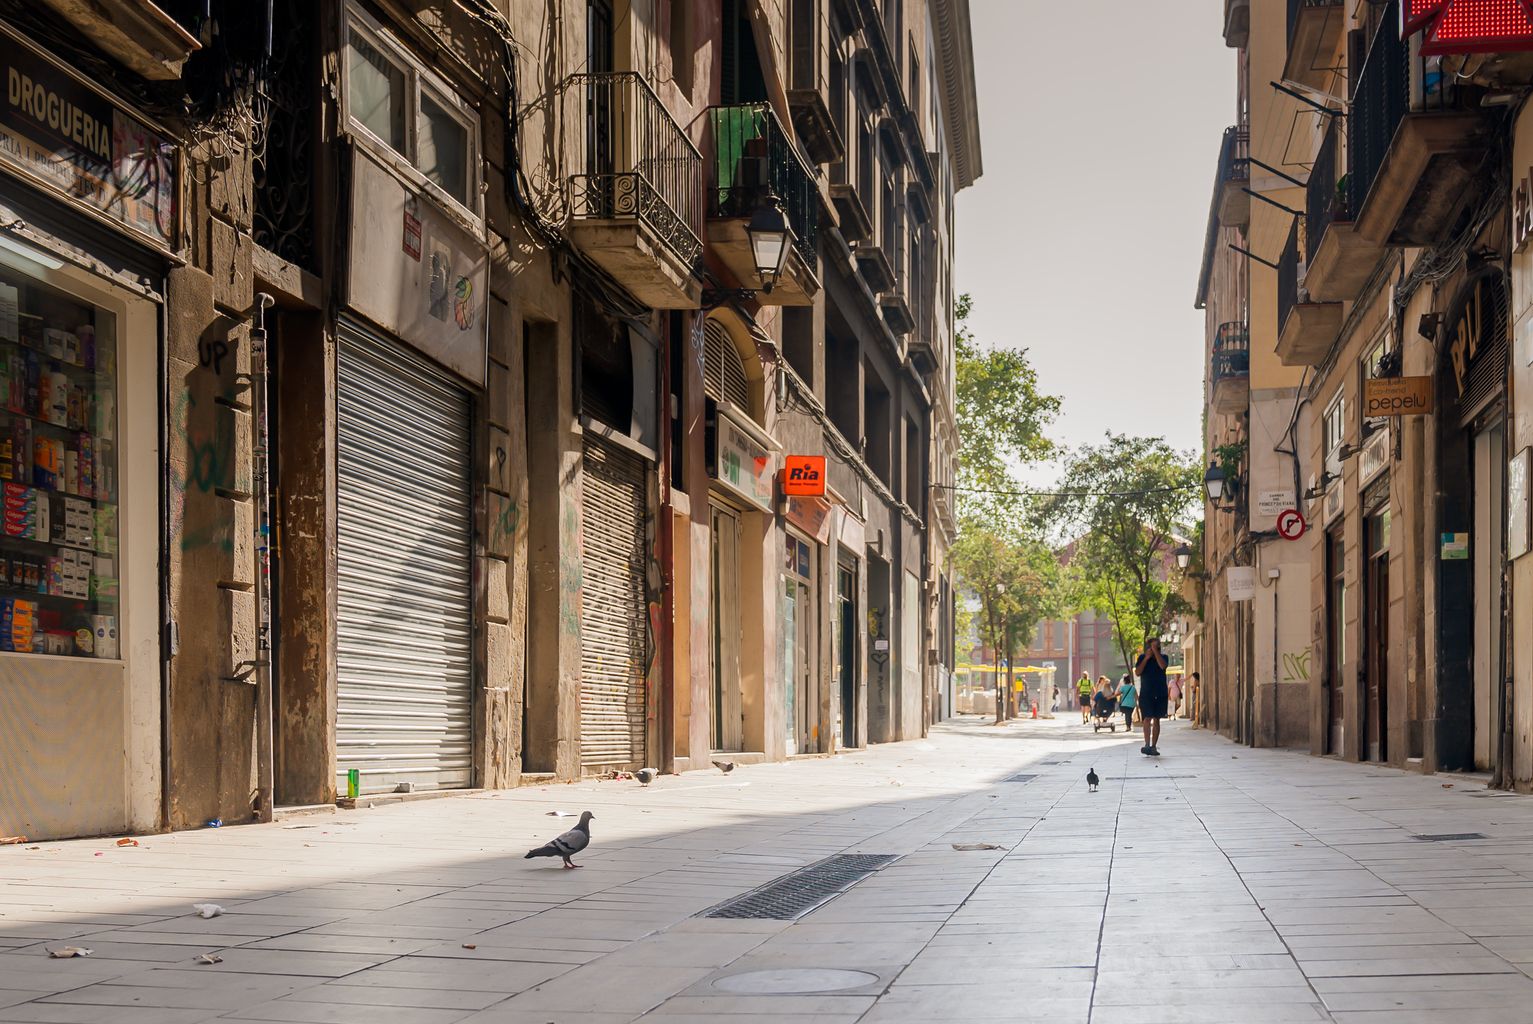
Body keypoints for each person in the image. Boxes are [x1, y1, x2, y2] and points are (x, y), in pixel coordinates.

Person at [1136, 637, 1170, 756]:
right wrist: (1146, 658)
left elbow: (1163, 666)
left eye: (1157, 647)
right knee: (1147, 718)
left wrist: (1156, 653)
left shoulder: (1163, 657)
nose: (1154, 649)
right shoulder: (1142, 658)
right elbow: (1138, 672)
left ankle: (1154, 746)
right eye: (1152, 647)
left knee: (1157, 719)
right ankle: (1146, 744)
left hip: (1160, 693)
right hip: (1146, 693)